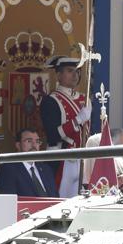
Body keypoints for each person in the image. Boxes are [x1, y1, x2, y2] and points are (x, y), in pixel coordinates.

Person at [40, 54, 92, 198]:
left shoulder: (84, 99)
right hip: (61, 157)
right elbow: (53, 134)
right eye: (70, 71)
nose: (75, 75)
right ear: (58, 75)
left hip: (82, 157)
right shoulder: (51, 101)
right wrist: (77, 120)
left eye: (77, 71)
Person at [0, 127, 57, 196]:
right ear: (18, 145)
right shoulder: (8, 169)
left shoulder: (46, 169)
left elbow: (55, 197)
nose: (34, 145)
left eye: (37, 141)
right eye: (29, 141)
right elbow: (8, 202)